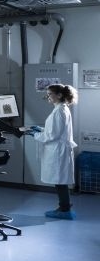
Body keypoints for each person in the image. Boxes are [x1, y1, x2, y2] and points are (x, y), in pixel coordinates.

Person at [29, 83, 78, 220]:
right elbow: (54, 130)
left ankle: (65, 210)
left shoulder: (60, 111)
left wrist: (35, 135)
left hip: (58, 151)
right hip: (59, 149)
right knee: (60, 180)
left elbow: (53, 135)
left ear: (59, 95)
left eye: (50, 94)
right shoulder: (61, 109)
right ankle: (64, 206)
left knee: (60, 181)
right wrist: (41, 129)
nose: (48, 97)